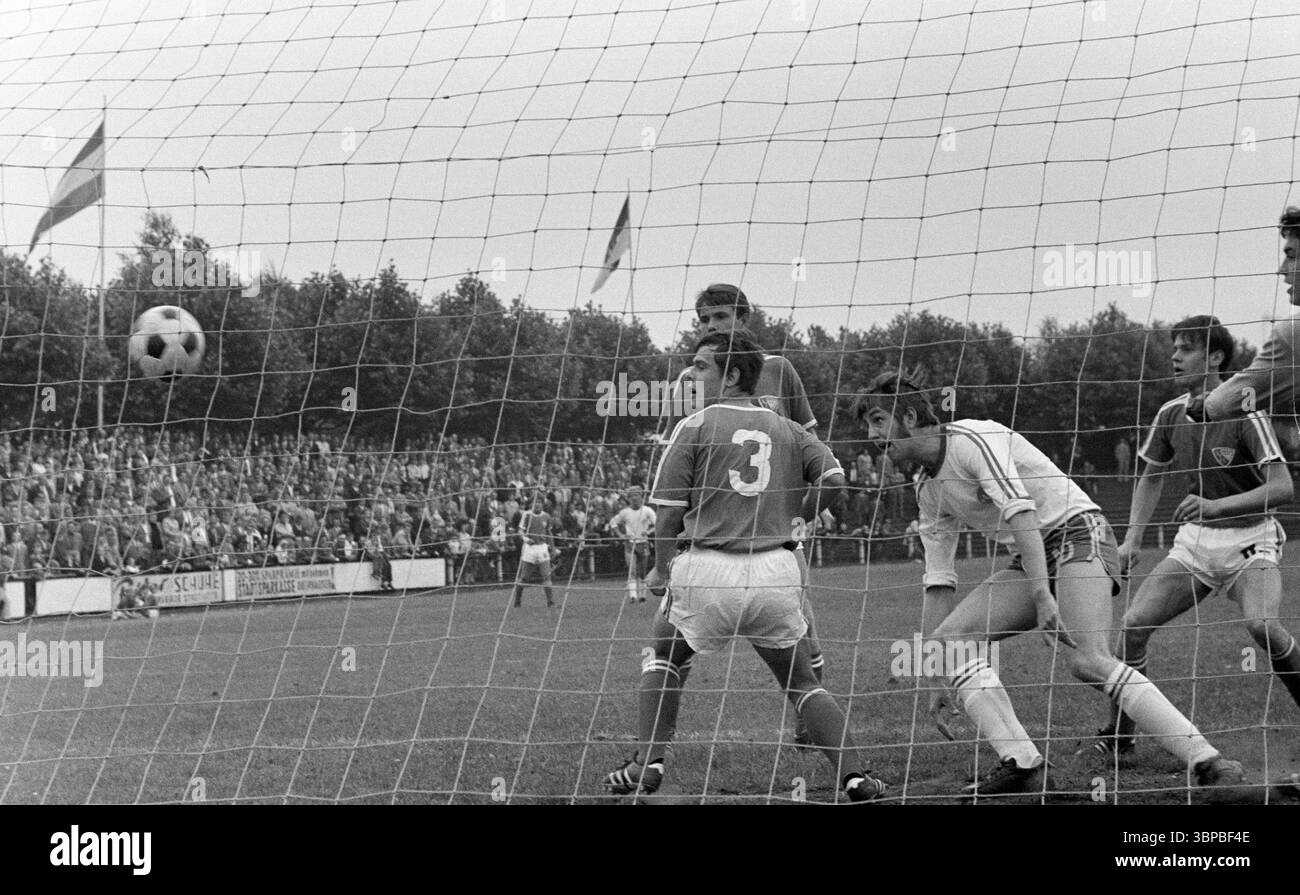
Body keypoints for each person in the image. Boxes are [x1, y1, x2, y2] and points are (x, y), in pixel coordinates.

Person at [854, 368, 1244, 797]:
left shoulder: (971, 440)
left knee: (1088, 660)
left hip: (1079, 531)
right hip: (1032, 553)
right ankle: (1025, 766)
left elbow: (1022, 514)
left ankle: (1209, 762)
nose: (871, 434)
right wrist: (933, 673)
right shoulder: (927, 490)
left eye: (877, 420)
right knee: (949, 644)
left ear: (909, 417)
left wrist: (1042, 594)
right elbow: (938, 580)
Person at [605, 331, 887, 802]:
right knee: (802, 683)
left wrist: (658, 570)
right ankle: (856, 777)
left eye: (700, 366)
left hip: (709, 568)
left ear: (732, 374)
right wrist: (795, 514)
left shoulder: (694, 425)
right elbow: (836, 479)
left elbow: (671, 511)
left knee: (663, 656)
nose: (692, 375)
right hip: (776, 571)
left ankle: (646, 763)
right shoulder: (789, 429)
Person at [1081, 316, 1300, 758]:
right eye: (1174, 348)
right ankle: (1118, 737)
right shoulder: (1171, 412)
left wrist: (1216, 506)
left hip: (1251, 540)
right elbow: (1150, 478)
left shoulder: (1248, 413)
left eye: (1186, 349)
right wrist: (1131, 540)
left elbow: (1281, 488)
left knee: (1263, 627)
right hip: (1195, 544)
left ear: (1216, 357)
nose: (1175, 357)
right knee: (1133, 626)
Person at [670, 284, 830, 746]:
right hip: (711, 525)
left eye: (719, 317)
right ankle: (661, 732)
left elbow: (809, 439)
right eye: (703, 321)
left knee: (803, 625)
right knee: (676, 631)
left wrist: (811, 504)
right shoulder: (696, 378)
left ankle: (806, 718)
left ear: (744, 318)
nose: (710, 327)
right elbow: (680, 446)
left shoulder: (780, 371)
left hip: (776, 525)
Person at [1199, 206, 1300, 449]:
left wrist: (1201, 405)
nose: (1281, 269)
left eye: (1292, 255)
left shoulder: (1293, 335)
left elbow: (1223, 405)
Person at [608, 487, 656, 603]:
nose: (634, 498)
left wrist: (648, 532)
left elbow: (657, 523)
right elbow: (613, 522)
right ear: (629, 498)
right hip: (630, 544)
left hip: (643, 543)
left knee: (643, 571)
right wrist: (620, 535)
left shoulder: (647, 510)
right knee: (632, 570)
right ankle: (633, 596)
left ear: (641, 497)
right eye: (632, 496)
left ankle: (643, 595)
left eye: (637, 495)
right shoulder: (625, 512)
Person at [511, 494, 556, 608]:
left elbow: (549, 533)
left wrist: (553, 548)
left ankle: (550, 602)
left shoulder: (546, 516)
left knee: (546, 576)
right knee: (524, 577)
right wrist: (526, 539)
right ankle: (517, 601)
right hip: (529, 549)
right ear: (531, 504)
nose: (537, 504)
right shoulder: (526, 515)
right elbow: (520, 531)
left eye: (540, 502)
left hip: (542, 548)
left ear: (542, 504)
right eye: (535, 502)